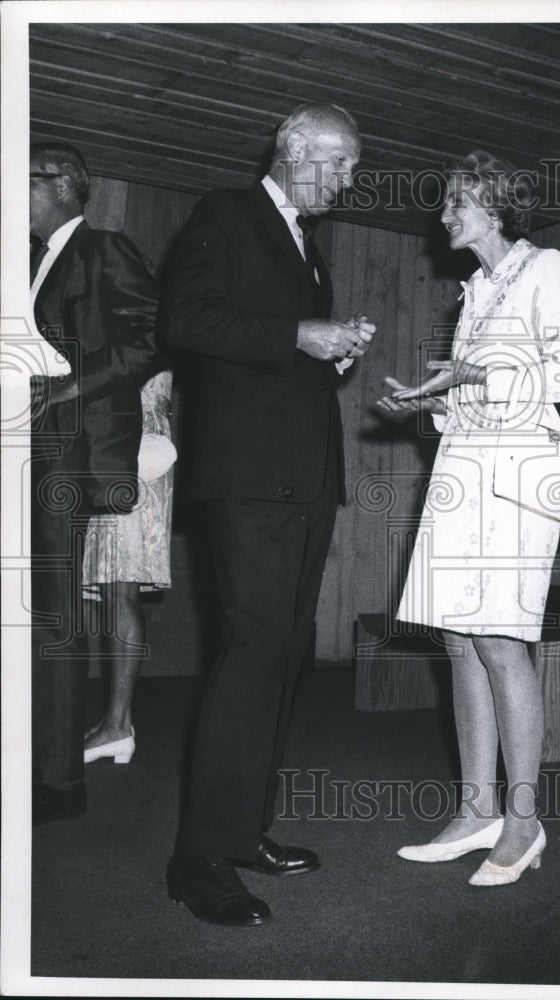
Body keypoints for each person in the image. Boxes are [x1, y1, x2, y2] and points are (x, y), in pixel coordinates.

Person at [162, 103, 375, 927]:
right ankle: (198, 860)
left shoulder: (307, 248)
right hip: (248, 480)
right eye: (343, 163)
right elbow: (183, 320)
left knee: (285, 658)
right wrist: (299, 334)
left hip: (304, 482)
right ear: (294, 151)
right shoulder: (227, 213)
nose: (351, 180)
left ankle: (243, 830)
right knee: (252, 653)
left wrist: (327, 348)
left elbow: (279, 351)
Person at [378, 150, 560, 886]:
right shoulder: (474, 291)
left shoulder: (546, 269)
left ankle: (526, 823)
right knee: (456, 636)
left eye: (457, 204)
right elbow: (485, 396)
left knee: (501, 641)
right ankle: (478, 810)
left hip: (521, 480)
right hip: (464, 474)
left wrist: (475, 372)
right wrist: (434, 402)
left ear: (496, 205)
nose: (445, 217)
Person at [29, 141, 162, 824]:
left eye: (22, 183)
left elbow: (149, 339)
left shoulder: (103, 249)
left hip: (64, 447)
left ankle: (55, 783)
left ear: (61, 186)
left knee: (51, 612)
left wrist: (66, 390)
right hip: (22, 446)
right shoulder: (27, 263)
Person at [82, 369, 175, 764]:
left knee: (120, 587)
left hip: (131, 442)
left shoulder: (141, 308)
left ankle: (117, 727)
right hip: (126, 436)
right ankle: (117, 722)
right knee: (117, 586)